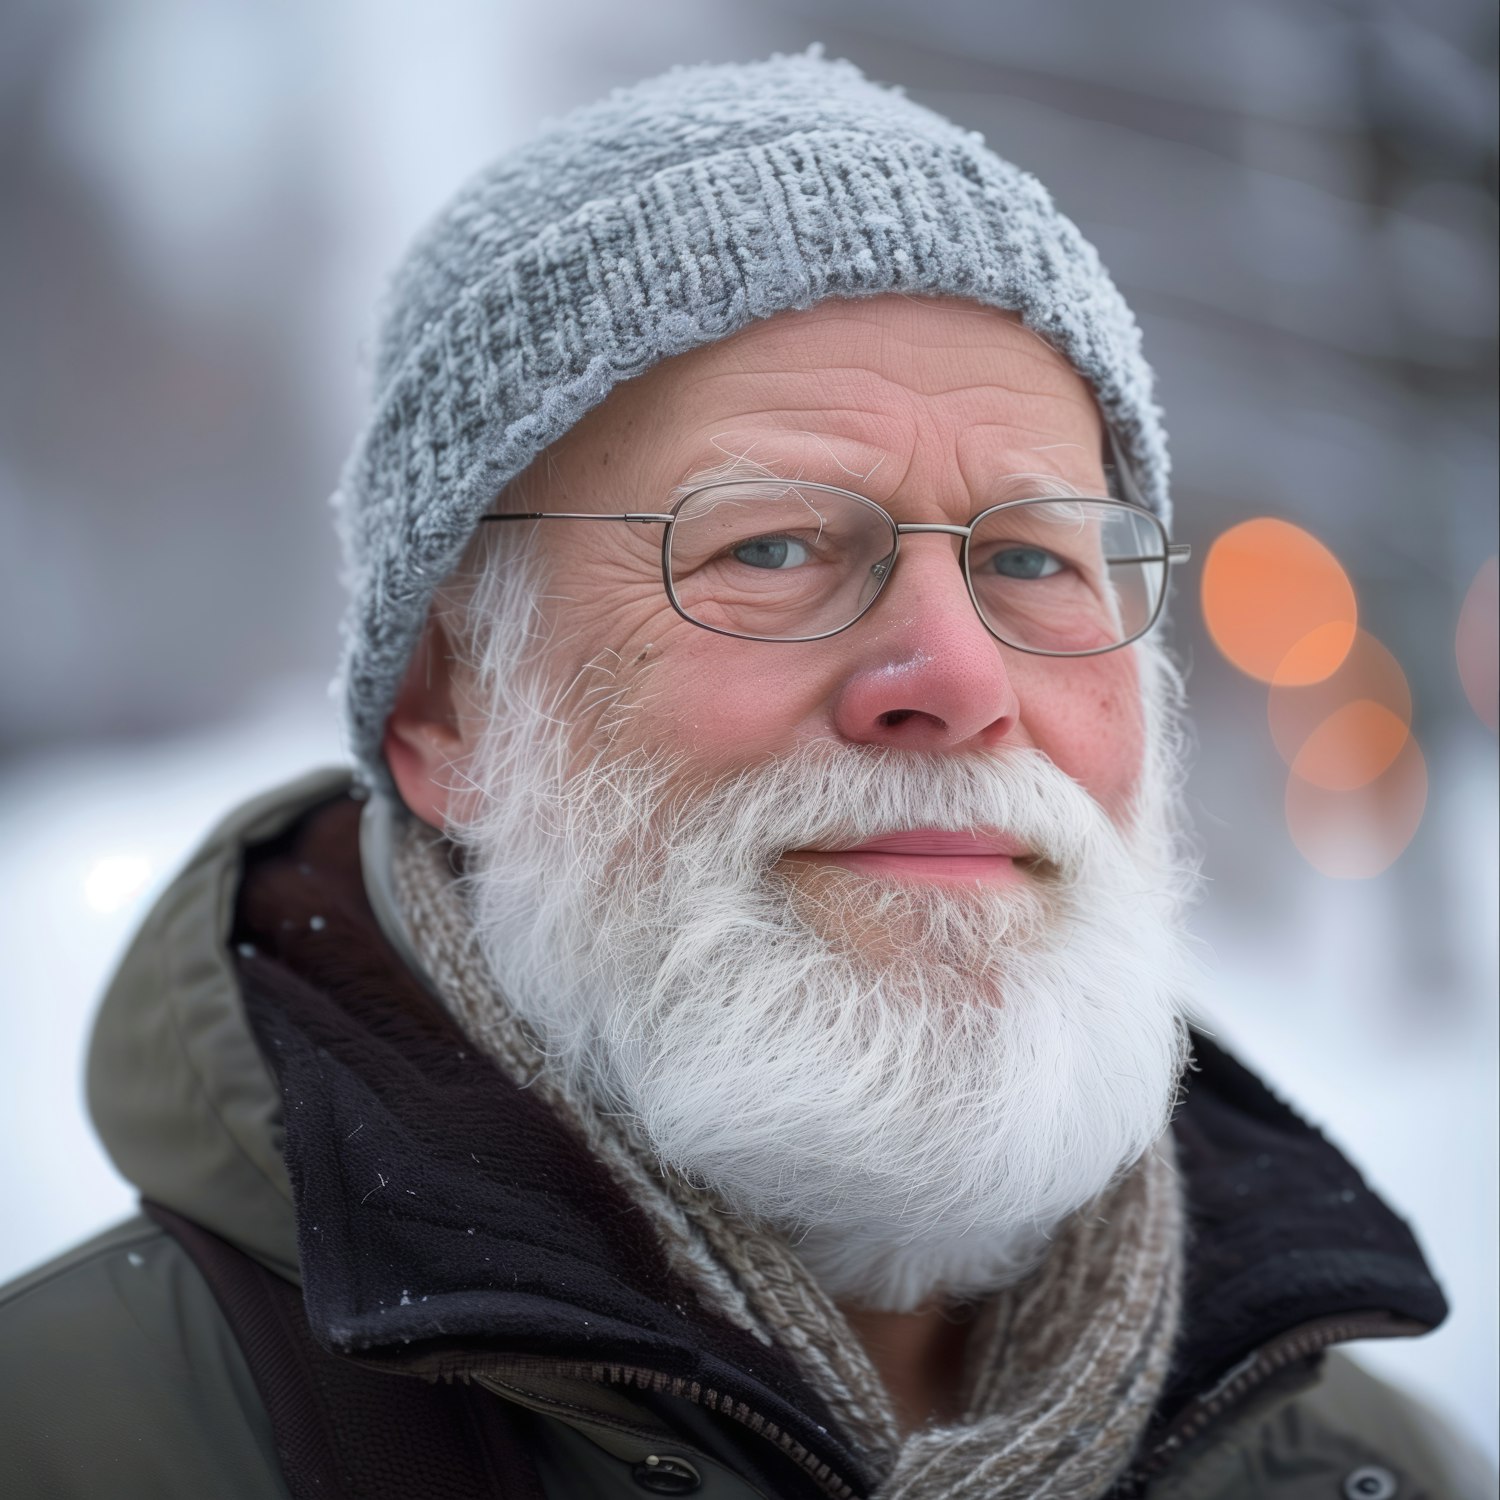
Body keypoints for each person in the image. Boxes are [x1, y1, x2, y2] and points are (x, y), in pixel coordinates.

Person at [1, 51, 1484, 1500]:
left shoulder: (1384, 1470)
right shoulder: (72, 1441)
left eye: (1034, 559)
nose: (959, 682)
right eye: (769, 547)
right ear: (445, 711)